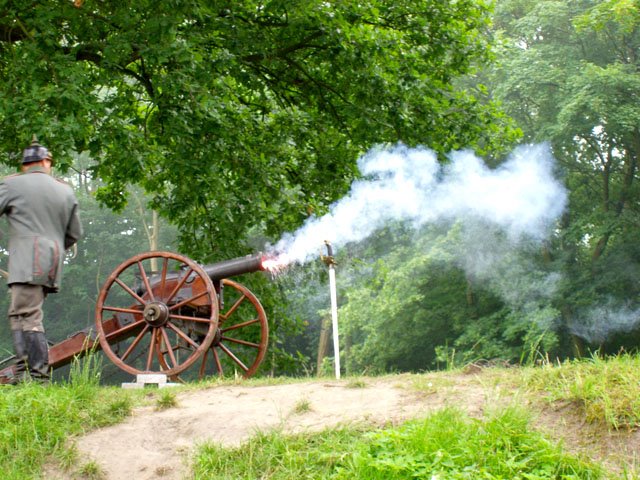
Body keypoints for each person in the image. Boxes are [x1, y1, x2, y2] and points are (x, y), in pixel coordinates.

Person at [0, 137, 82, 383]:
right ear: (47, 162)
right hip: (53, 261)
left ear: (25, 164)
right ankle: (24, 371)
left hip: (27, 260)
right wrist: (54, 248)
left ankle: (38, 377)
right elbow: (74, 233)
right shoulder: (64, 189)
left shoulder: (11, 185)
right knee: (19, 313)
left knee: (28, 314)